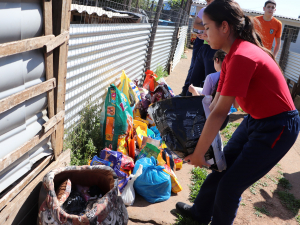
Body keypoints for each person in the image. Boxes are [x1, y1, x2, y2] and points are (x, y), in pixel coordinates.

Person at [175, 1, 300, 225]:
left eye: (207, 27)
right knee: (221, 167)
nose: (203, 32)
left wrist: (200, 154)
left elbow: (221, 113)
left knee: (230, 186)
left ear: (224, 27)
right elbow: (213, 106)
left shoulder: (242, 55)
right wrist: (195, 145)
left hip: (277, 127)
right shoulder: (230, 54)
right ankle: (200, 213)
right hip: (256, 119)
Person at [179, 0, 215, 96]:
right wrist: (208, 28)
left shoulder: (221, 11)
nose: (207, 1)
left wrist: (208, 28)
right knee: (194, 68)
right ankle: (186, 93)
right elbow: (195, 24)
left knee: (209, 74)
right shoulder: (204, 10)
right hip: (202, 41)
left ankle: (202, 97)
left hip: (213, 44)